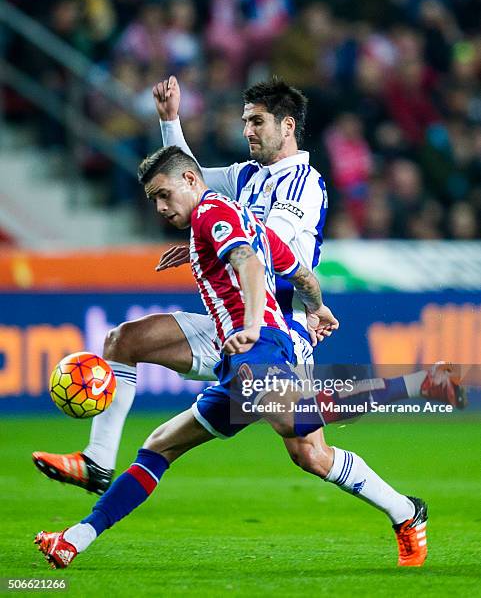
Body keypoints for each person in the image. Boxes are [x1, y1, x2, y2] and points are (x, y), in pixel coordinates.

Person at [33, 78, 462, 565]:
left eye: (256, 121)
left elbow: (263, 250)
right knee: (126, 346)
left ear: (287, 125)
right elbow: (186, 175)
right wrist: (170, 122)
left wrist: (221, 240)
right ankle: (92, 479)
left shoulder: (304, 184)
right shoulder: (245, 180)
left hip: (272, 325)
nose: (247, 131)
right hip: (231, 325)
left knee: (308, 445)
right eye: (243, 121)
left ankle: (418, 392)